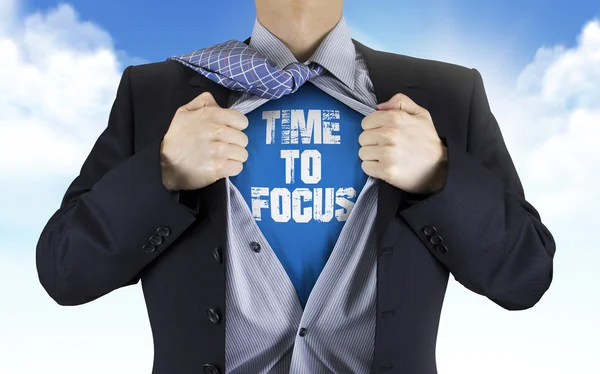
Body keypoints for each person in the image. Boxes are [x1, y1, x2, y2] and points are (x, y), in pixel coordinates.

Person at [35, 0, 556, 373]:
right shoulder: (154, 94)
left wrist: (440, 175)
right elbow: (65, 271)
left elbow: (524, 275)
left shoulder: (448, 94)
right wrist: (162, 171)